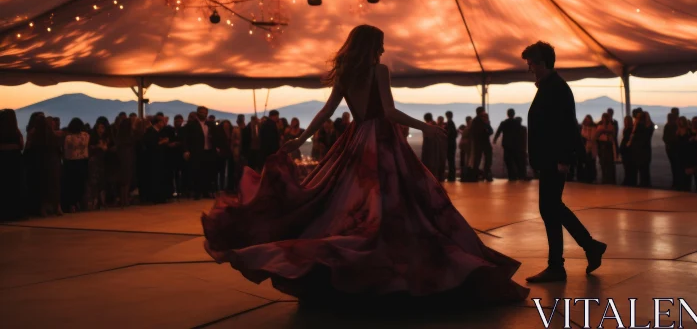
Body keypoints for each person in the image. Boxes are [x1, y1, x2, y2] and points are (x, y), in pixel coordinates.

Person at [202, 24, 528, 304]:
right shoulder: (379, 71)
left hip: (356, 141)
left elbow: (326, 112)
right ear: (372, 45)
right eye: (381, 43)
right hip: (382, 143)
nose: (384, 48)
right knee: (399, 203)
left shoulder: (346, 74)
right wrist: (424, 126)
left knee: (346, 204)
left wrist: (300, 140)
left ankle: (353, 269)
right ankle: (388, 267)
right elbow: (388, 113)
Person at [521, 41, 606, 284]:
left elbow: (566, 126)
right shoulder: (550, 86)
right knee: (550, 208)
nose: (530, 69)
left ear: (542, 63)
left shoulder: (555, 88)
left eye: (531, 64)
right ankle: (581, 251)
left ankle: (570, 258)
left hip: (553, 159)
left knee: (550, 207)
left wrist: (564, 159)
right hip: (549, 158)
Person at [0, 109, 25, 221]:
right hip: (15, 159)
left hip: (3, 159)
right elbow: (21, 145)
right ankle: (16, 212)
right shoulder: (16, 132)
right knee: (15, 185)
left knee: (4, 186)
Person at [62, 118, 90, 212]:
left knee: (71, 184)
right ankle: (79, 202)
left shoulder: (69, 137)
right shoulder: (86, 135)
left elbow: (67, 148)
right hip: (83, 161)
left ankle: (72, 204)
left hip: (71, 162)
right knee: (81, 183)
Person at [494, 109, 524, 181]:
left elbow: (498, 132)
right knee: (516, 160)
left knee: (508, 160)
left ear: (507, 114)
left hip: (506, 144)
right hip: (516, 144)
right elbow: (520, 133)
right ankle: (521, 175)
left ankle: (511, 176)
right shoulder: (517, 123)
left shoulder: (504, 123)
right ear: (514, 114)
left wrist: (495, 139)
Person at [595, 113, 617, 185]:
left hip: (609, 145)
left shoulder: (612, 125)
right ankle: (605, 179)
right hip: (602, 145)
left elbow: (613, 135)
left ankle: (610, 179)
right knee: (603, 163)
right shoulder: (599, 126)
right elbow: (596, 135)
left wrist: (604, 131)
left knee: (610, 163)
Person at [662, 113, 680, 189]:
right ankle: (677, 182)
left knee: (674, 166)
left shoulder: (668, 126)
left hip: (670, 148)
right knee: (676, 166)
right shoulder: (675, 126)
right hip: (673, 148)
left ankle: (676, 182)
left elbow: (664, 138)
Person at [578, 115, 597, 183]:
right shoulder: (583, 128)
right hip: (585, 147)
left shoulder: (594, 128)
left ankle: (592, 178)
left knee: (592, 163)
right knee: (586, 163)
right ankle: (585, 177)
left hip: (592, 147)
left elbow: (592, 137)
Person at [619, 116, 635, 186]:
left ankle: (628, 181)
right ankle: (628, 180)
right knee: (627, 167)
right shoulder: (627, 129)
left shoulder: (629, 130)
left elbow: (628, 140)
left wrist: (625, 146)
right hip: (625, 150)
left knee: (628, 167)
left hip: (627, 151)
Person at [444, 111, 458, 182]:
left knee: (451, 161)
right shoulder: (451, 123)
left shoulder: (449, 123)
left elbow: (449, 134)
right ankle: (452, 176)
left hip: (450, 145)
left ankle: (451, 177)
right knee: (451, 161)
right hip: (452, 144)